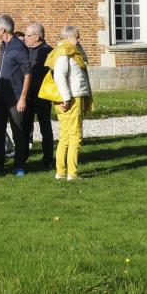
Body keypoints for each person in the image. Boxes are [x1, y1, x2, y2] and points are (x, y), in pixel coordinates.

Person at [47, 25, 92, 181]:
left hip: (69, 98)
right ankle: (72, 174)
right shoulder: (64, 52)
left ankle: (61, 172)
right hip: (71, 98)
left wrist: (78, 46)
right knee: (75, 136)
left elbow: (85, 59)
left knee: (65, 136)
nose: (79, 40)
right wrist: (66, 98)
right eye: (77, 37)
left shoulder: (70, 50)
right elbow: (59, 76)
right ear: (68, 37)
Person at [0, 14, 31, 177]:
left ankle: (19, 165)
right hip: (1, 96)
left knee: (18, 131)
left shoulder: (19, 48)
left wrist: (22, 98)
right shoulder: (3, 45)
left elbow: (28, 74)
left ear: (3, 29)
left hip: (15, 97)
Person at [22, 21, 54, 170]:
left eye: (28, 35)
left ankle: (47, 159)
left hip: (42, 97)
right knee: (25, 128)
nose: (25, 38)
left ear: (37, 36)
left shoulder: (49, 52)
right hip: (27, 97)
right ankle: (22, 157)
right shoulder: (26, 50)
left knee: (45, 128)